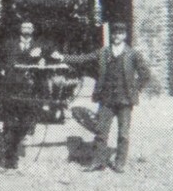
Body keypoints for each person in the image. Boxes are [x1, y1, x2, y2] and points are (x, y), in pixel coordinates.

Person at [61, 22, 150, 173]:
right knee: (101, 132)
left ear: (125, 36)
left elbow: (145, 75)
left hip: (125, 100)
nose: (117, 36)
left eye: (120, 33)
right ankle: (98, 162)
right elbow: (84, 58)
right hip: (106, 99)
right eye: (114, 34)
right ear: (112, 35)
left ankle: (119, 162)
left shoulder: (132, 54)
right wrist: (63, 57)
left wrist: (135, 89)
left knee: (123, 133)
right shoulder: (104, 52)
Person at [0, 17, 46, 168]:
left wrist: (42, 59)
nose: (26, 30)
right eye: (24, 27)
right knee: (10, 124)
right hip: (11, 89)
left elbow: (50, 55)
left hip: (29, 91)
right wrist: (2, 69)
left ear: (33, 30)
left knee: (25, 123)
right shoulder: (9, 44)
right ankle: (10, 159)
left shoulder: (39, 46)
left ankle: (16, 147)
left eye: (29, 27)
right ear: (20, 29)